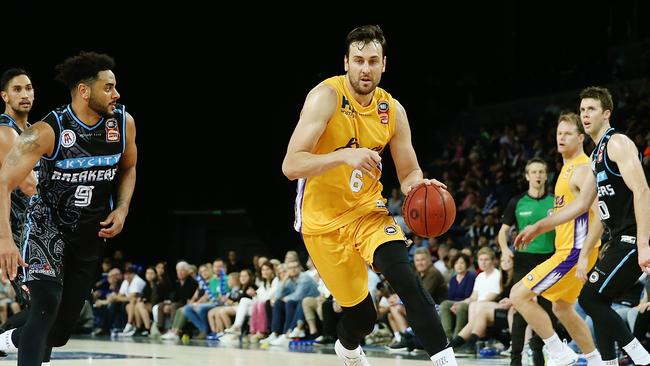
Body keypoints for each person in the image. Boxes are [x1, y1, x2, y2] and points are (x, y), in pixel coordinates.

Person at [282, 25, 457, 366]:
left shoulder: (392, 110)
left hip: (367, 211)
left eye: (373, 61)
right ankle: (347, 348)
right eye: (359, 60)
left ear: (384, 64)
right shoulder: (325, 97)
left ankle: (446, 361)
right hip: (322, 222)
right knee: (362, 314)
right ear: (346, 62)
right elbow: (291, 165)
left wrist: (420, 188)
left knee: (406, 279)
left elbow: (408, 172)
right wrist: (344, 155)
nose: (366, 68)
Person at [0, 51, 137, 366]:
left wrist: (123, 208)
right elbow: (4, 183)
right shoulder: (48, 130)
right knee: (45, 305)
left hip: (89, 234)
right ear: (84, 91)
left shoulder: (124, 124)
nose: (116, 94)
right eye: (108, 87)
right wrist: (5, 239)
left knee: (59, 332)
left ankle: (5, 339)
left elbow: (129, 167)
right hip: (46, 228)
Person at [516, 87, 650, 366]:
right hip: (616, 239)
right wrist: (539, 227)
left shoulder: (618, 143)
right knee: (594, 302)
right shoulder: (596, 156)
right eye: (582, 110)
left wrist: (644, 243)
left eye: (591, 109)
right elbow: (579, 207)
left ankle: (641, 357)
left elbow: (642, 191)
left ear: (606, 113)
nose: (585, 115)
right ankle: (607, 362)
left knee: (590, 300)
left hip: (632, 237)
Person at [511, 112, 605, 366]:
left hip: (574, 252)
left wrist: (584, 254)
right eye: (558, 133)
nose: (561, 138)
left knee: (518, 294)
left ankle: (559, 352)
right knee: (562, 308)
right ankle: (596, 361)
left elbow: (600, 216)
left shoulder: (583, 169)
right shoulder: (566, 168)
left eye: (567, 134)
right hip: (567, 250)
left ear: (580, 138)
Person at [497, 157, 557, 366]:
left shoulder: (555, 201)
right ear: (526, 176)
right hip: (523, 261)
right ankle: (516, 359)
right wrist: (505, 250)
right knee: (521, 308)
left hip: (550, 259)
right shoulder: (517, 202)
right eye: (534, 172)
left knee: (546, 310)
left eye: (541, 172)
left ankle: (538, 350)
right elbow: (502, 232)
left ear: (546, 175)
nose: (538, 175)